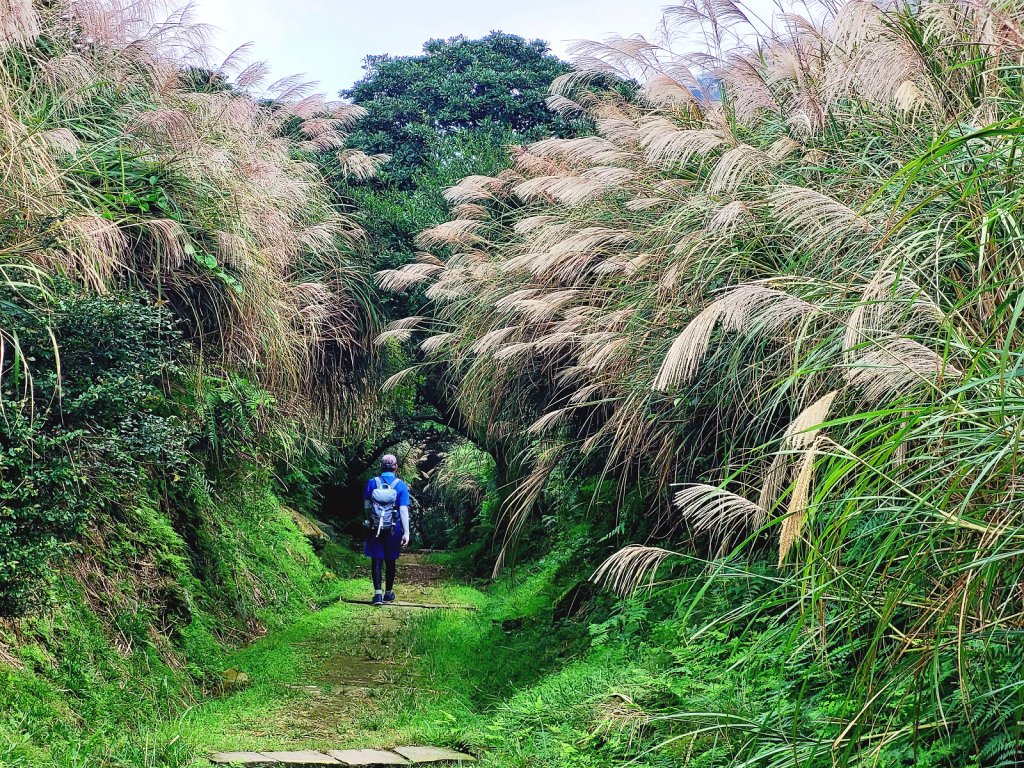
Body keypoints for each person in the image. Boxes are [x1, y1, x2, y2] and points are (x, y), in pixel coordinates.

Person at [363, 454, 410, 605]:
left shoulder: (372, 482)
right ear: (396, 467)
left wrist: (370, 520)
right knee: (390, 561)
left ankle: (377, 595)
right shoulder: (400, 485)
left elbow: (366, 506)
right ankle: (388, 593)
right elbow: (403, 510)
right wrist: (406, 533)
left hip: (375, 527)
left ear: (381, 467)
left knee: (376, 559)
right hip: (394, 528)